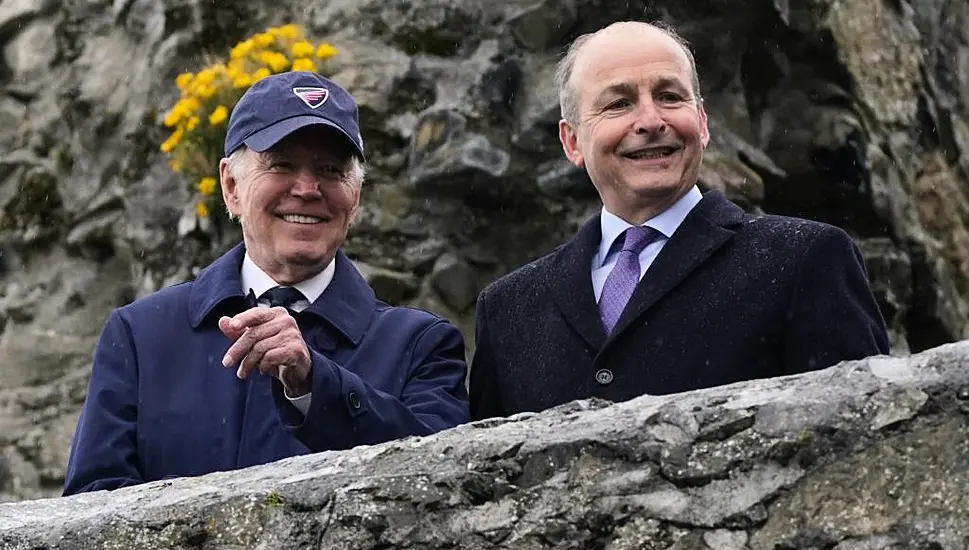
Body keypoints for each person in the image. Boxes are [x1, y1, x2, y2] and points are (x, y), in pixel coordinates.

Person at [63, 71, 470, 495]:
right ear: (231, 186)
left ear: (356, 199)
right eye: (282, 164)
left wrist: (315, 385)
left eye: (331, 169)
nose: (308, 189)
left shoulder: (421, 346)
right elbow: (92, 506)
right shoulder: (141, 337)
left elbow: (443, 488)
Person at [468, 21, 890, 420]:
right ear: (572, 141)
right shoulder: (507, 310)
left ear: (702, 124)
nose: (651, 121)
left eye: (670, 97)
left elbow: (862, 442)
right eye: (619, 103)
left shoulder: (804, 260)